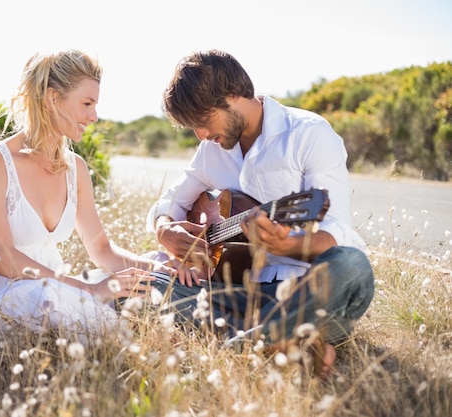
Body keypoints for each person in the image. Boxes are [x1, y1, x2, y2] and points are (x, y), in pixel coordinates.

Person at [146, 50, 375, 378]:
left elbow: (336, 230)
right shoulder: (212, 150)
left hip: (306, 290)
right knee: (143, 283)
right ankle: (285, 339)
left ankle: (242, 344)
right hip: (240, 291)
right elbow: (170, 201)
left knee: (352, 266)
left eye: (204, 122)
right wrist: (164, 230)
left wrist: (287, 247)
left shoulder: (309, 134)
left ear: (233, 97)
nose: (201, 135)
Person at [0, 50, 174, 350]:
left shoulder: (76, 168)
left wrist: (156, 269)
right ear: (52, 99)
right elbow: (2, 260)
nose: (94, 116)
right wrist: (89, 290)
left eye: (95, 105)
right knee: (51, 297)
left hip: (54, 291)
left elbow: (101, 249)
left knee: (131, 281)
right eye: (86, 104)